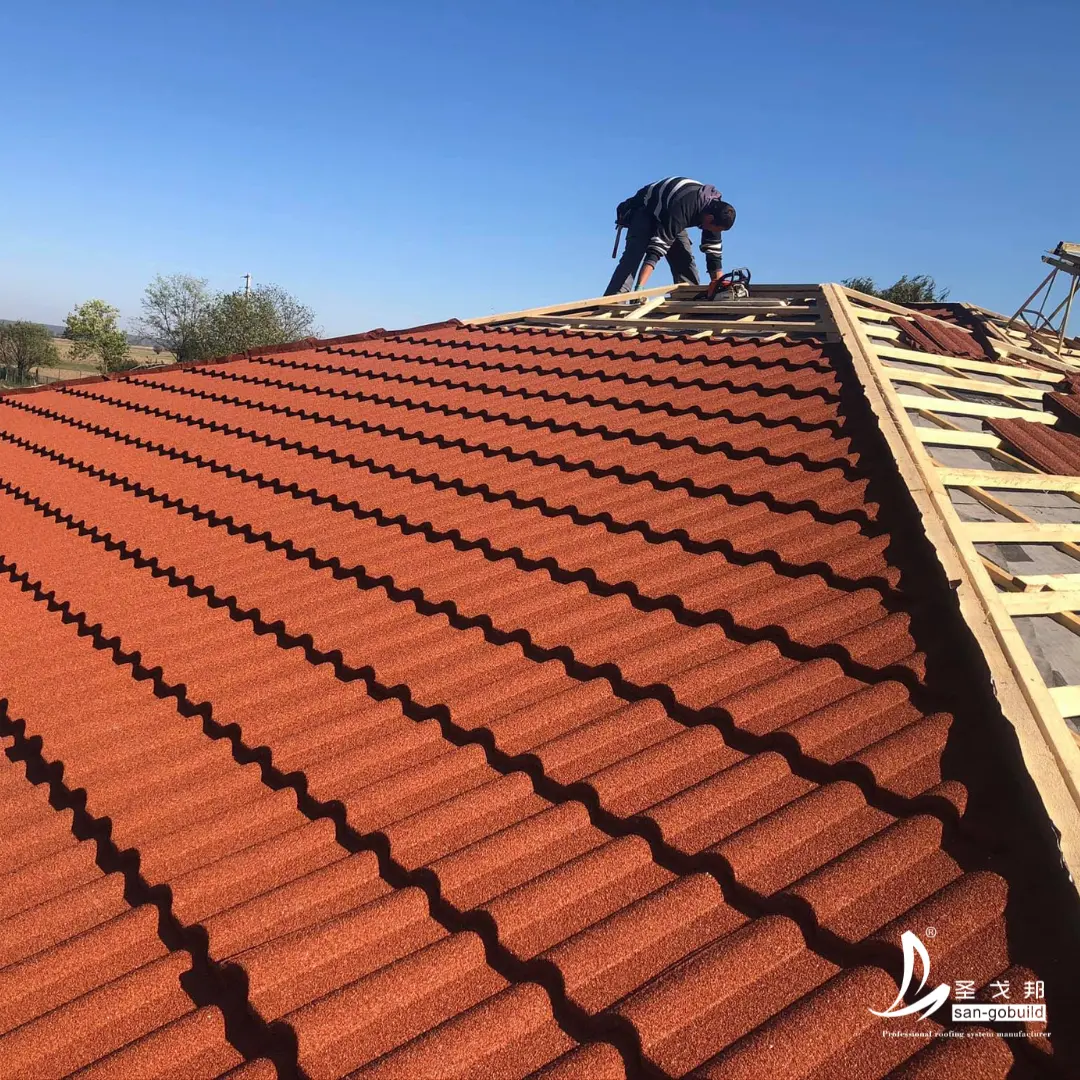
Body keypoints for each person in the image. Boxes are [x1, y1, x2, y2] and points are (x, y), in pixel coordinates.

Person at [605, 177, 736, 296]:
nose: (710, 231)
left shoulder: (717, 212)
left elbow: (714, 254)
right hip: (646, 210)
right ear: (709, 218)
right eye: (712, 228)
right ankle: (614, 302)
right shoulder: (685, 207)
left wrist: (718, 283)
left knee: (684, 260)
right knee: (633, 257)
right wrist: (640, 287)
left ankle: (688, 299)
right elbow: (656, 250)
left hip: (669, 214)